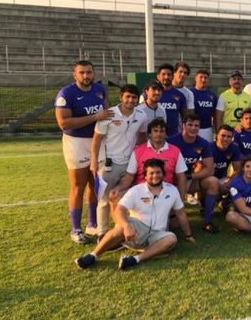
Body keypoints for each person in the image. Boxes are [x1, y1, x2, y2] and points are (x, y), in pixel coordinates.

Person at [74, 159, 194, 271]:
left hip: (156, 235)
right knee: (120, 227)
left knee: (171, 238)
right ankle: (93, 255)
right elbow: (120, 210)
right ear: (145, 175)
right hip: (135, 232)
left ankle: (134, 260)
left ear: (163, 174)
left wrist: (188, 235)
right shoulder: (136, 190)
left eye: (158, 172)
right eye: (151, 173)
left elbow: (181, 214)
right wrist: (127, 226)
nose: (155, 176)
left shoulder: (172, 190)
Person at [55, 60, 113, 244]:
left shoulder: (99, 90)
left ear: (94, 74)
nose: (86, 76)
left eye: (89, 72)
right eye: (82, 72)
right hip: (76, 143)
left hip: (97, 140)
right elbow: (64, 123)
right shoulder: (66, 93)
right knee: (78, 186)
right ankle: (76, 229)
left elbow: (106, 113)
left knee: (95, 184)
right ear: (75, 74)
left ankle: (92, 223)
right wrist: (95, 117)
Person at [90, 84, 147, 240]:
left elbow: (142, 137)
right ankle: (101, 232)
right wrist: (94, 161)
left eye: (134, 97)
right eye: (127, 97)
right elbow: (96, 139)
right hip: (108, 163)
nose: (130, 100)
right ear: (121, 97)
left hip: (130, 163)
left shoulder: (141, 115)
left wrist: (141, 157)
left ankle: (121, 229)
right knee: (103, 199)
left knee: (125, 197)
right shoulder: (109, 114)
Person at [110, 119, 188, 202]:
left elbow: (181, 176)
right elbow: (130, 176)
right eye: (155, 131)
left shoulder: (175, 151)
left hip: (165, 192)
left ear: (166, 134)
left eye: (162, 131)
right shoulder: (138, 151)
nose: (158, 134)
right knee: (116, 196)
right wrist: (117, 188)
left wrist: (181, 198)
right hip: (141, 191)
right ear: (150, 133)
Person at [168, 113, 221, 234]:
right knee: (174, 225)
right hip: (171, 182)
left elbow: (210, 169)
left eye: (196, 125)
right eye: (190, 125)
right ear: (183, 126)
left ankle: (207, 221)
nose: (193, 128)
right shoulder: (171, 141)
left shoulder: (203, 143)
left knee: (213, 182)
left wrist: (191, 176)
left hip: (188, 180)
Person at [143, 63, 189, 136]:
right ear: (158, 76)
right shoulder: (149, 94)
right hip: (153, 136)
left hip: (173, 136)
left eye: (169, 74)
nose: (166, 77)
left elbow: (185, 118)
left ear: (173, 76)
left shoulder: (180, 95)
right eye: (163, 74)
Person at [211, 125, 242, 203]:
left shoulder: (234, 148)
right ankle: (204, 205)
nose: (225, 139)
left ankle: (226, 202)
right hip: (208, 179)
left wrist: (229, 182)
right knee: (211, 186)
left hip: (222, 178)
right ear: (217, 136)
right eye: (223, 135)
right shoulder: (209, 147)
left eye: (229, 137)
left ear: (232, 138)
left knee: (239, 182)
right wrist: (218, 185)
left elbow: (237, 169)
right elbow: (202, 170)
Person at [190, 69, 217, 141]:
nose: (203, 79)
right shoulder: (190, 93)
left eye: (205, 78)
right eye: (201, 77)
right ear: (195, 78)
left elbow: (215, 115)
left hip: (207, 129)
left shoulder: (212, 95)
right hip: (192, 128)